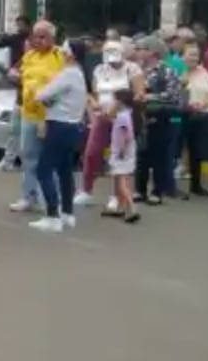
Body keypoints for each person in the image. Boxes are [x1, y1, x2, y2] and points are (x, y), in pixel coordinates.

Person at [30, 41, 88, 232]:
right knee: (65, 171)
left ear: (70, 55)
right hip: (73, 127)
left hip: (59, 126)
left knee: (43, 170)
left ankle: (52, 215)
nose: (61, 54)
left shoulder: (68, 74)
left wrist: (38, 91)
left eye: (64, 51)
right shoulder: (79, 74)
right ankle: (67, 213)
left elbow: (41, 95)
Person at [78, 40, 144, 208]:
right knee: (92, 153)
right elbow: (93, 93)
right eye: (106, 51)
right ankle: (86, 190)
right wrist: (93, 104)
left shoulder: (132, 69)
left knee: (118, 157)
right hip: (102, 117)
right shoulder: (100, 69)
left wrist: (119, 103)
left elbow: (139, 94)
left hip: (123, 119)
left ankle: (116, 196)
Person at [10, 20, 62, 213]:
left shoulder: (60, 56)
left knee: (48, 158)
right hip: (29, 113)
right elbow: (17, 72)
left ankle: (51, 199)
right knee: (28, 156)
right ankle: (28, 197)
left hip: (50, 115)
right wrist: (15, 76)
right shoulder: (29, 55)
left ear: (52, 38)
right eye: (35, 36)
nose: (38, 40)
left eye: (43, 37)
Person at [133, 36, 184, 205]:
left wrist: (149, 96)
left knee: (160, 155)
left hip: (162, 117)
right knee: (141, 154)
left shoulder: (167, 71)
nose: (138, 52)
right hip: (142, 117)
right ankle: (139, 190)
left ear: (153, 52)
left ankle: (157, 191)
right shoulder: (137, 70)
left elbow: (173, 95)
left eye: (142, 49)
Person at [0, 15, 32, 171]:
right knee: (14, 129)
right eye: (17, 24)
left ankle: (28, 162)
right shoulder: (19, 56)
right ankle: (8, 161)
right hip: (20, 98)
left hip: (33, 102)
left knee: (27, 132)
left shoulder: (40, 62)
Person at [182, 45, 208, 197]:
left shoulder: (205, 74)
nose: (193, 58)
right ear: (183, 57)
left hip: (201, 116)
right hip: (180, 116)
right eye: (190, 55)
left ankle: (196, 185)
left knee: (197, 150)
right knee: (175, 147)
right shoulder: (179, 73)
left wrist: (203, 104)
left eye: (195, 55)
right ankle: (166, 184)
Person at [103, 89, 141, 223]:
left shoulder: (123, 117)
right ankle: (121, 208)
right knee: (124, 179)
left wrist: (122, 150)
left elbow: (127, 134)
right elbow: (108, 115)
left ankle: (132, 208)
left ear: (120, 101)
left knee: (121, 182)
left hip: (122, 151)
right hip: (126, 150)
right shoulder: (128, 114)